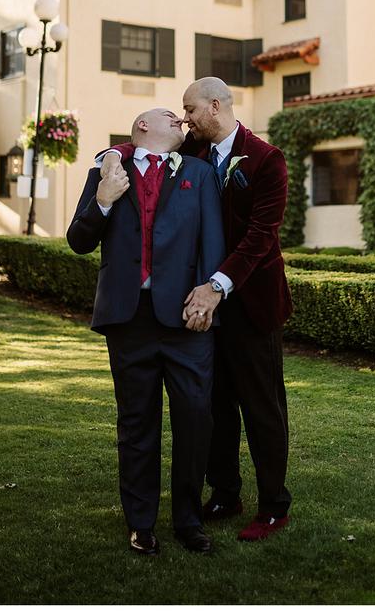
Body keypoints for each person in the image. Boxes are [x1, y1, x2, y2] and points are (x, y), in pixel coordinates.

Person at [102, 77, 293, 541]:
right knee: (212, 407)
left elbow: (258, 240)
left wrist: (216, 286)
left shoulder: (267, 160)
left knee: (261, 406)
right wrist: (106, 158)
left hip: (247, 302)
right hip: (197, 309)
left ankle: (273, 504)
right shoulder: (196, 151)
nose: (183, 118)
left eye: (189, 109)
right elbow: (140, 146)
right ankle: (225, 490)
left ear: (214, 106)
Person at [67, 107, 224, 555]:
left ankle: (189, 521)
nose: (181, 123)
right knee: (137, 424)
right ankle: (141, 523)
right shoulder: (107, 170)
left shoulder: (199, 171)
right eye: (171, 117)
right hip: (129, 319)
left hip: (187, 318)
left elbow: (213, 239)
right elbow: (78, 240)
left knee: (195, 419)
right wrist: (104, 199)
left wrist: (210, 296)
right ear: (141, 127)